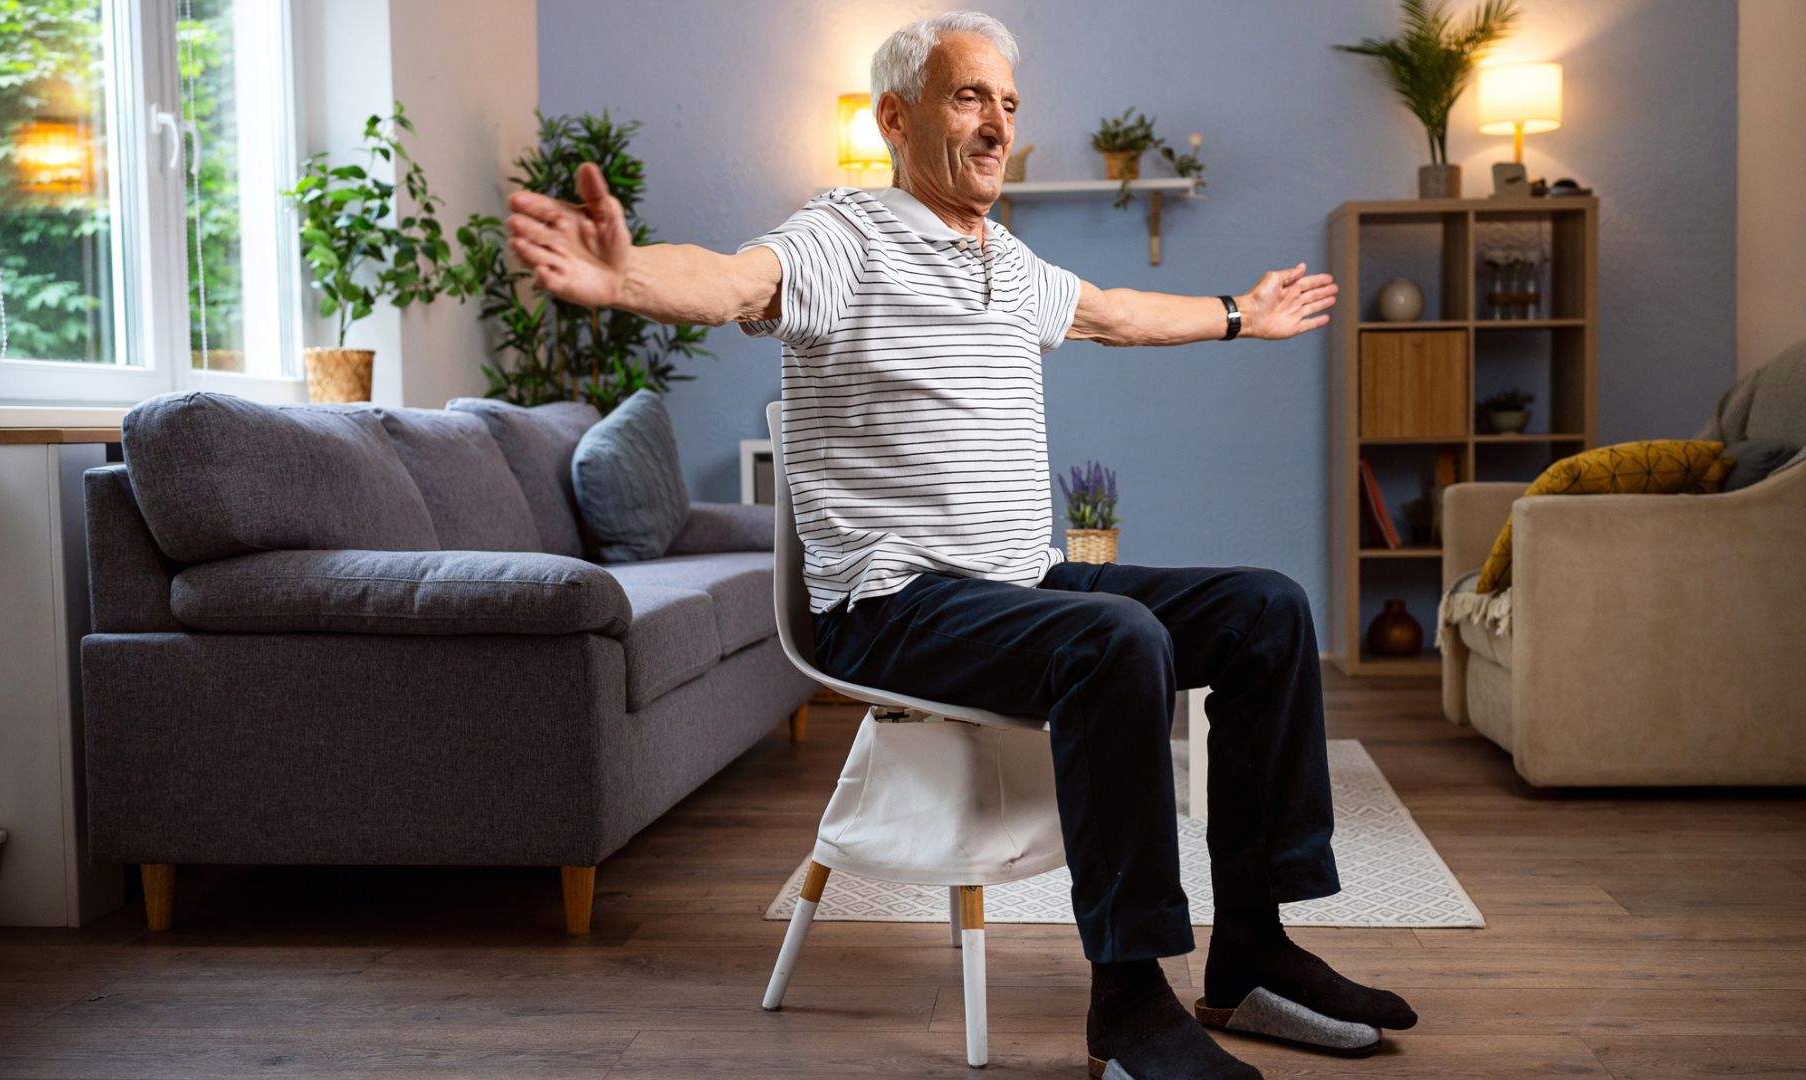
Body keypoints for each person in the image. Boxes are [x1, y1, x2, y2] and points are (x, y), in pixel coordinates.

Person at [505, 11, 1415, 1077]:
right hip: (890, 603)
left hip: (1013, 584)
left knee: (1266, 609)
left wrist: (1233, 313)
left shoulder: (1004, 257)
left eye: (1009, 105)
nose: (997, 125)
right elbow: (735, 281)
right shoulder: (843, 236)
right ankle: (1128, 1004)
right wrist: (628, 280)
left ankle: (1251, 955)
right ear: (896, 117)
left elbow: (1115, 313)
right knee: (1115, 640)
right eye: (969, 97)